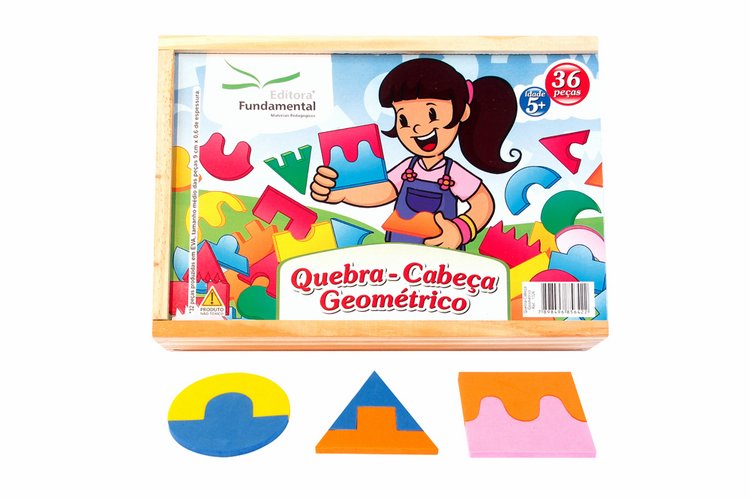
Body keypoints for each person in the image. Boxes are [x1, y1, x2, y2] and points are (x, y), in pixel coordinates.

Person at [311, 58, 520, 249]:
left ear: (463, 112)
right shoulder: (407, 168)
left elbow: (483, 202)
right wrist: (342, 195)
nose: (418, 128)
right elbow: (386, 190)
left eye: (432, 113)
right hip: (401, 249)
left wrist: (460, 230)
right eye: (403, 119)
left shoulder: (453, 173)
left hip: (443, 258)